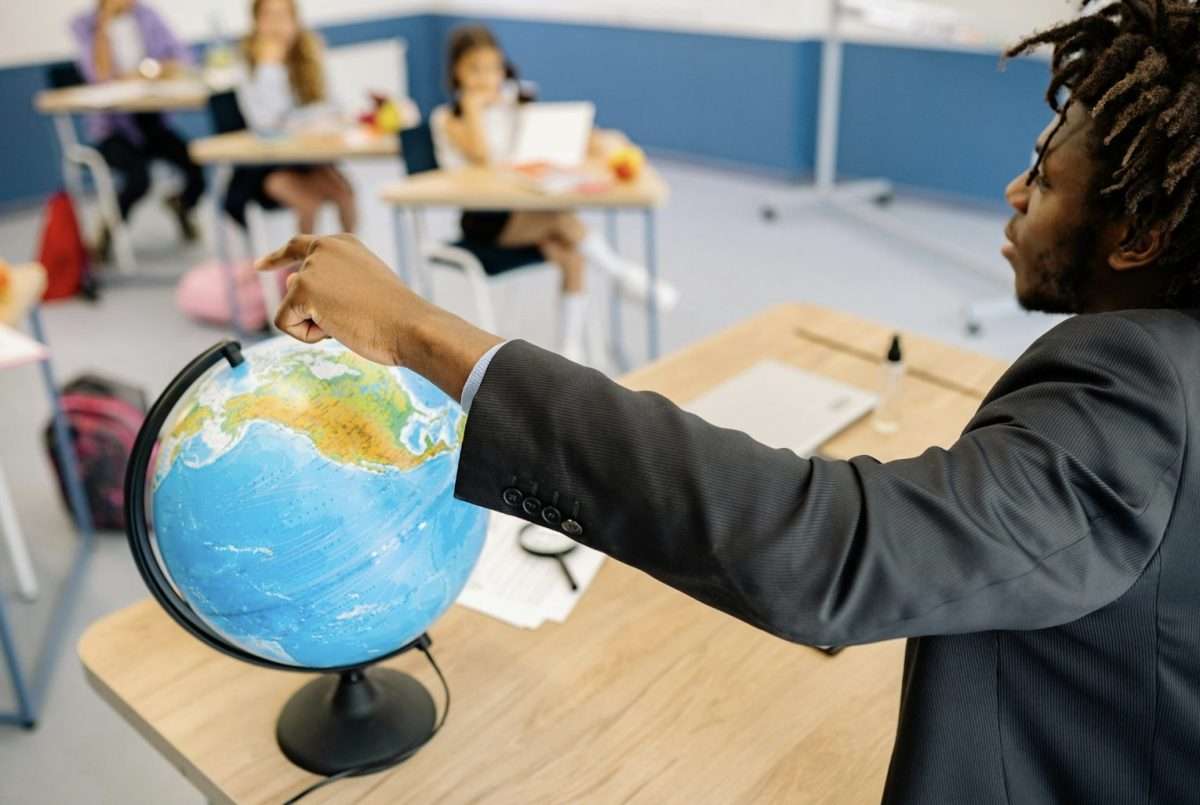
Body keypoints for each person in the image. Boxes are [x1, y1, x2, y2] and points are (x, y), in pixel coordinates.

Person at [258, 1, 1200, 801]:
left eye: (1044, 170)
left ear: (1143, 233)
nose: (1013, 187)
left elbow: (827, 550)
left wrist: (419, 331)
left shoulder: (1141, 387)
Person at [430, 24, 677, 363]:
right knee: (561, 218)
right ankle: (623, 276)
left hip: (522, 206)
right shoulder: (448, 117)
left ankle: (570, 350)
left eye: (494, 68)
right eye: (476, 69)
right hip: (485, 220)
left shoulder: (509, 106)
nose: (487, 78)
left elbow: (537, 143)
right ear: (456, 71)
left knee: (572, 256)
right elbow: (481, 156)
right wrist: (474, 105)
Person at [70, 0, 206, 251]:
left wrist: (153, 70)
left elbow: (183, 58)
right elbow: (97, 75)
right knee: (139, 179)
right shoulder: (86, 25)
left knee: (195, 161)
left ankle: (180, 204)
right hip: (113, 128)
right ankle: (109, 230)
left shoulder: (147, 16)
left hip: (150, 121)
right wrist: (103, 22)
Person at [224, 0, 356, 236]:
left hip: (308, 158)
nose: (277, 25)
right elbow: (267, 121)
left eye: (284, 17)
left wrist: (303, 121)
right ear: (256, 22)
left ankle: (349, 262)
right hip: (266, 164)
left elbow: (333, 107)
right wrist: (270, 66)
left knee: (345, 193)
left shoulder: (309, 52)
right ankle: (302, 270)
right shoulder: (249, 62)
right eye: (269, 17)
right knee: (307, 202)